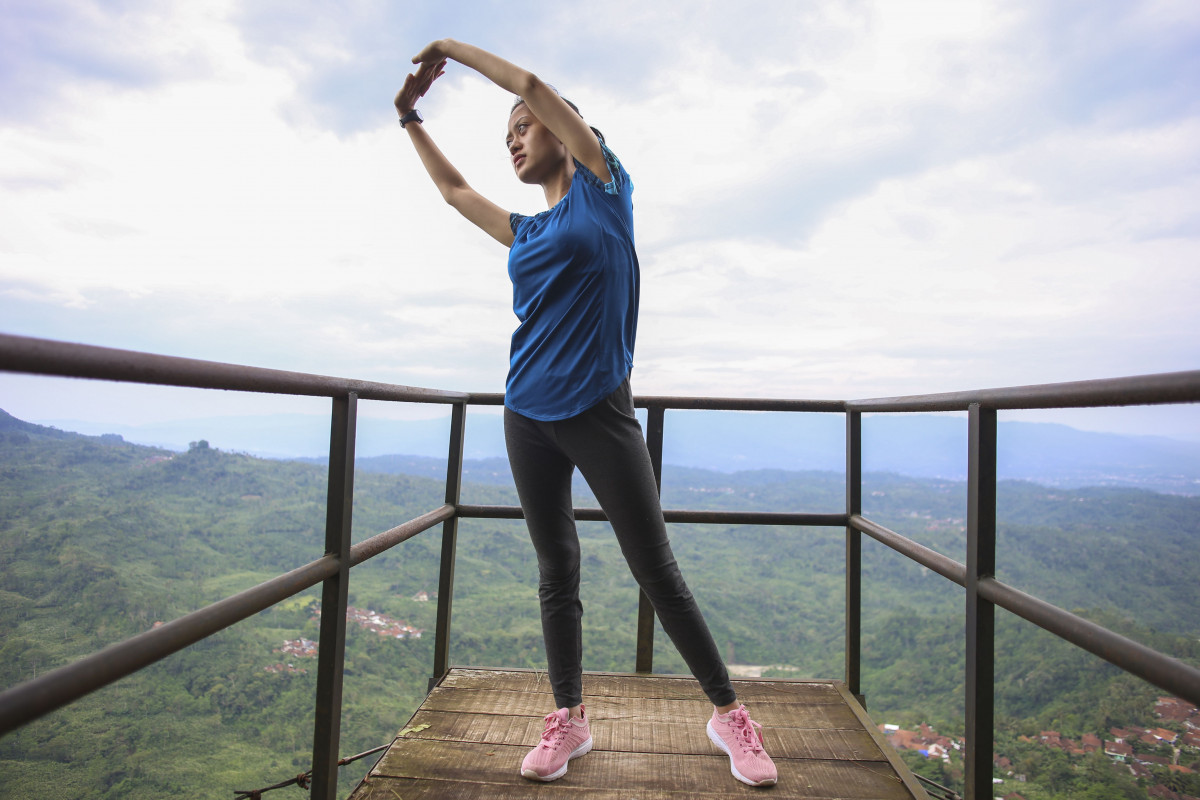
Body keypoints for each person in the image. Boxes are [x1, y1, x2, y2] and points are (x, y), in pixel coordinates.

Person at [394, 39, 777, 788]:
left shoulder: (605, 188)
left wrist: (447, 52)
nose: (513, 139)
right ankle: (568, 718)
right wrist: (409, 118)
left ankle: (728, 713)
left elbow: (533, 83)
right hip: (525, 411)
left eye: (523, 127)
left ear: (562, 131)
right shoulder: (527, 230)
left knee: (655, 568)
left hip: (598, 411)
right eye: (507, 134)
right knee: (555, 566)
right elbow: (452, 193)